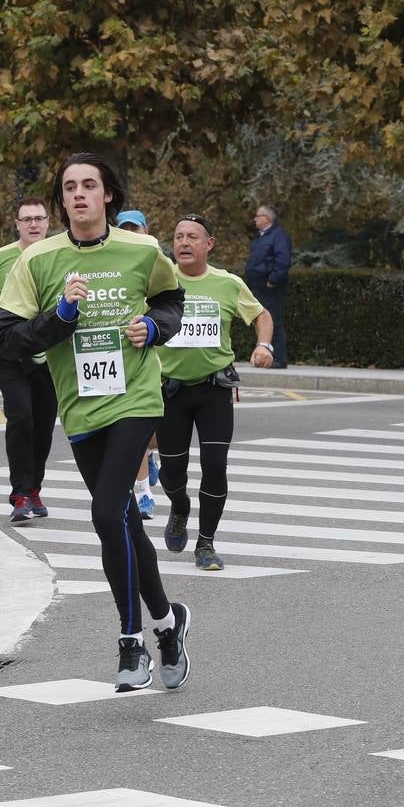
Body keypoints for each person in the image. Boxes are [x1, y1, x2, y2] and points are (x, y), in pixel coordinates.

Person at [0, 151, 190, 693]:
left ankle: (131, 644)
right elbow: (8, 338)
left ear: (109, 196)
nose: (78, 194)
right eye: (69, 187)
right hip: (80, 408)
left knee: (107, 511)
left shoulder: (140, 249)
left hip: (136, 397)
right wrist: (60, 316)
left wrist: (153, 327)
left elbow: (173, 301)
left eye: (89, 185)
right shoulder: (38, 261)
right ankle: (168, 623)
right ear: (61, 200)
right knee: (124, 522)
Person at [158, 214, 276, 571]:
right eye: (178, 236)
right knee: (172, 470)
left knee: (215, 466)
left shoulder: (227, 283)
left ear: (208, 244)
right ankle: (179, 508)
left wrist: (264, 345)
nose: (184, 243)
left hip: (214, 389)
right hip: (170, 390)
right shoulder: (159, 282)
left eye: (193, 237)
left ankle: (206, 543)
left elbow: (262, 315)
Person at [0, 196, 57, 522]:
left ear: (48, 222)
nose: (34, 224)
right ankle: (20, 493)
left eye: (39, 218)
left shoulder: (59, 254)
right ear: (18, 224)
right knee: (21, 416)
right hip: (9, 349)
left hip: (49, 353)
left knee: (45, 424)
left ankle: (34, 487)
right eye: (27, 219)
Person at [116, 209, 161, 517]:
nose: (131, 234)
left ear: (147, 230)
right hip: (130, 357)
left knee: (157, 428)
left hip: (164, 354)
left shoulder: (158, 262)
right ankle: (143, 493)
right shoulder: (115, 263)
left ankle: (155, 456)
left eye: (136, 229)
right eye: (125, 229)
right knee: (137, 426)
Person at [246, 203, 291, 368]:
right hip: (258, 286)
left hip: (271, 288)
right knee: (260, 322)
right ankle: (262, 355)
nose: (255, 219)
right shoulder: (261, 237)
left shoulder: (278, 236)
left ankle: (278, 358)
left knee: (273, 321)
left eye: (257, 216)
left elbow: (283, 260)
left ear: (267, 219)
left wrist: (273, 280)